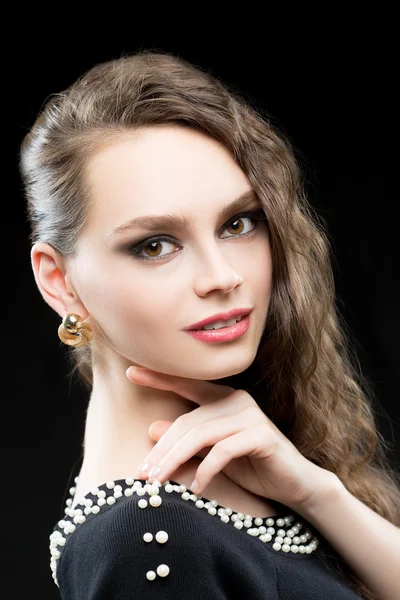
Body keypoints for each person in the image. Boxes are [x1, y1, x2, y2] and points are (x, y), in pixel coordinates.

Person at [19, 51, 400, 600]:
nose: (222, 276)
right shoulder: (147, 545)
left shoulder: (265, 470)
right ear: (60, 282)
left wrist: (319, 495)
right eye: (154, 245)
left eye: (238, 223)